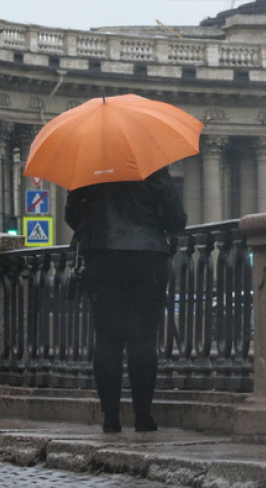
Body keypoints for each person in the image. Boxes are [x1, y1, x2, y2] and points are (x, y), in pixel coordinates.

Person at [64, 166, 187, 433]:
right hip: (148, 258)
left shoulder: (88, 167)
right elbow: (177, 220)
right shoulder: (152, 168)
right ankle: (143, 416)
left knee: (107, 339)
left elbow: (72, 217)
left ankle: (111, 418)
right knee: (143, 339)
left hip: (102, 258)